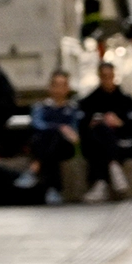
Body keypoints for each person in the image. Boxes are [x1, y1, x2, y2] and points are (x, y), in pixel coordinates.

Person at [77, 61, 132, 201]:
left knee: (101, 140)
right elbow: (83, 122)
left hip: (119, 138)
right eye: (104, 76)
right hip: (97, 140)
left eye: (109, 76)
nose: (107, 80)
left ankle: (101, 182)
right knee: (100, 131)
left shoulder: (125, 100)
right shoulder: (90, 100)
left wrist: (119, 122)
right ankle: (114, 166)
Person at [20, 70, 82, 204]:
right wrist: (60, 128)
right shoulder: (41, 107)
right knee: (52, 141)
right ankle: (54, 189)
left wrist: (64, 132)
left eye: (63, 85)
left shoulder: (73, 109)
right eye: (56, 85)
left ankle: (35, 167)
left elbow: (75, 132)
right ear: (50, 87)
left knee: (53, 141)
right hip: (47, 144)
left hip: (65, 147)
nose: (59, 89)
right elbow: (38, 125)